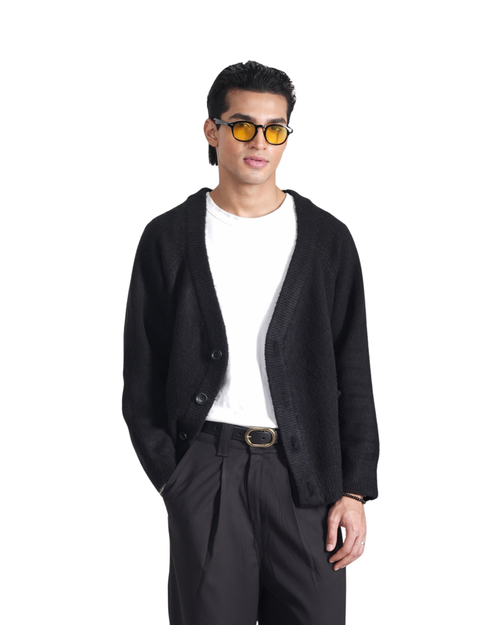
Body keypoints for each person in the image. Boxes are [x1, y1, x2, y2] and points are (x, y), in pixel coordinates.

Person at [122, 60, 380, 625]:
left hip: (308, 479)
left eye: (275, 129)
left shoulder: (328, 240)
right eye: (242, 125)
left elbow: (353, 372)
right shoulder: (168, 238)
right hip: (207, 471)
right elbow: (142, 373)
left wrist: (355, 490)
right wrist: (176, 477)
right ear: (212, 131)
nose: (259, 142)